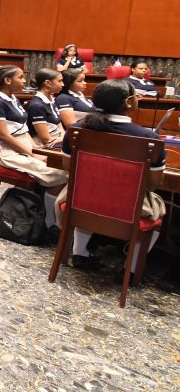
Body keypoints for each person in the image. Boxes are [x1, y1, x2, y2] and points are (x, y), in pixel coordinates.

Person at [59, 79, 168, 270]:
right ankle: (131, 269)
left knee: (86, 191)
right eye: (135, 96)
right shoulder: (150, 139)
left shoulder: (76, 129)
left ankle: (79, 253)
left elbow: (69, 167)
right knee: (159, 208)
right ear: (127, 103)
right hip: (128, 208)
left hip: (81, 200)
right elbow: (153, 184)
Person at [0, 65, 66, 230]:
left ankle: (48, 218)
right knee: (57, 173)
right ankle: (50, 223)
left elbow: (23, 129)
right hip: (7, 150)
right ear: (8, 81)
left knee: (60, 167)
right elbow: (4, 135)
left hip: (25, 145)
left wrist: (36, 148)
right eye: (21, 77)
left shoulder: (14, 99)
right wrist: (32, 154)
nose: (25, 81)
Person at [28, 68, 65, 148]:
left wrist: (64, 138)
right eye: (59, 81)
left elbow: (60, 128)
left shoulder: (52, 100)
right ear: (48, 83)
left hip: (58, 140)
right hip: (44, 145)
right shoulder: (37, 105)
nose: (63, 84)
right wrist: (65, 139)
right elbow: (46, 140)